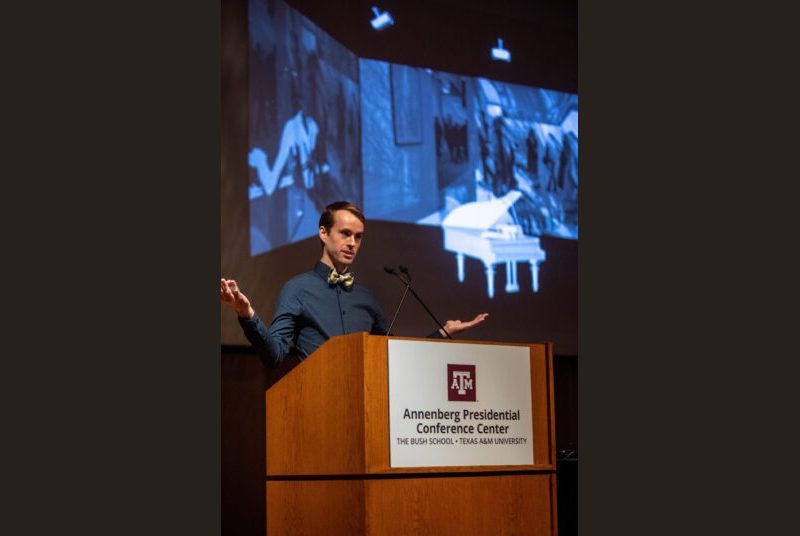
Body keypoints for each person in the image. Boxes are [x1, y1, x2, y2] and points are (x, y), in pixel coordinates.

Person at [221, 201, 488, 367]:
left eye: (358, 237)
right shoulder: (298, 289)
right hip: (318, 406)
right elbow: (274, 355)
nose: (352, 243)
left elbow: (394, 356)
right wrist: (247, 315)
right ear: (323, 233)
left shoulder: (366, 298)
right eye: (345, 234)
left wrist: (442, 332)